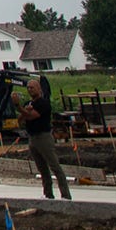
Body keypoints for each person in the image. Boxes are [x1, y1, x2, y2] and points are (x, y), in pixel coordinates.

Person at [19, 73, 72, 201]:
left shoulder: (43, 103)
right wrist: (23, 110)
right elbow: (21, 120)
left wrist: (20, 108)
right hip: (32, 137)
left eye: (32, 87)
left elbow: (32, 116)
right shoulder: (28, 104)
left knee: (54, 166)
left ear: (39, 89)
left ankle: (65, 195)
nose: (30, 89)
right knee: (42, 168)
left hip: (43, 137)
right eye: (28, 88)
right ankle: (48, 193)